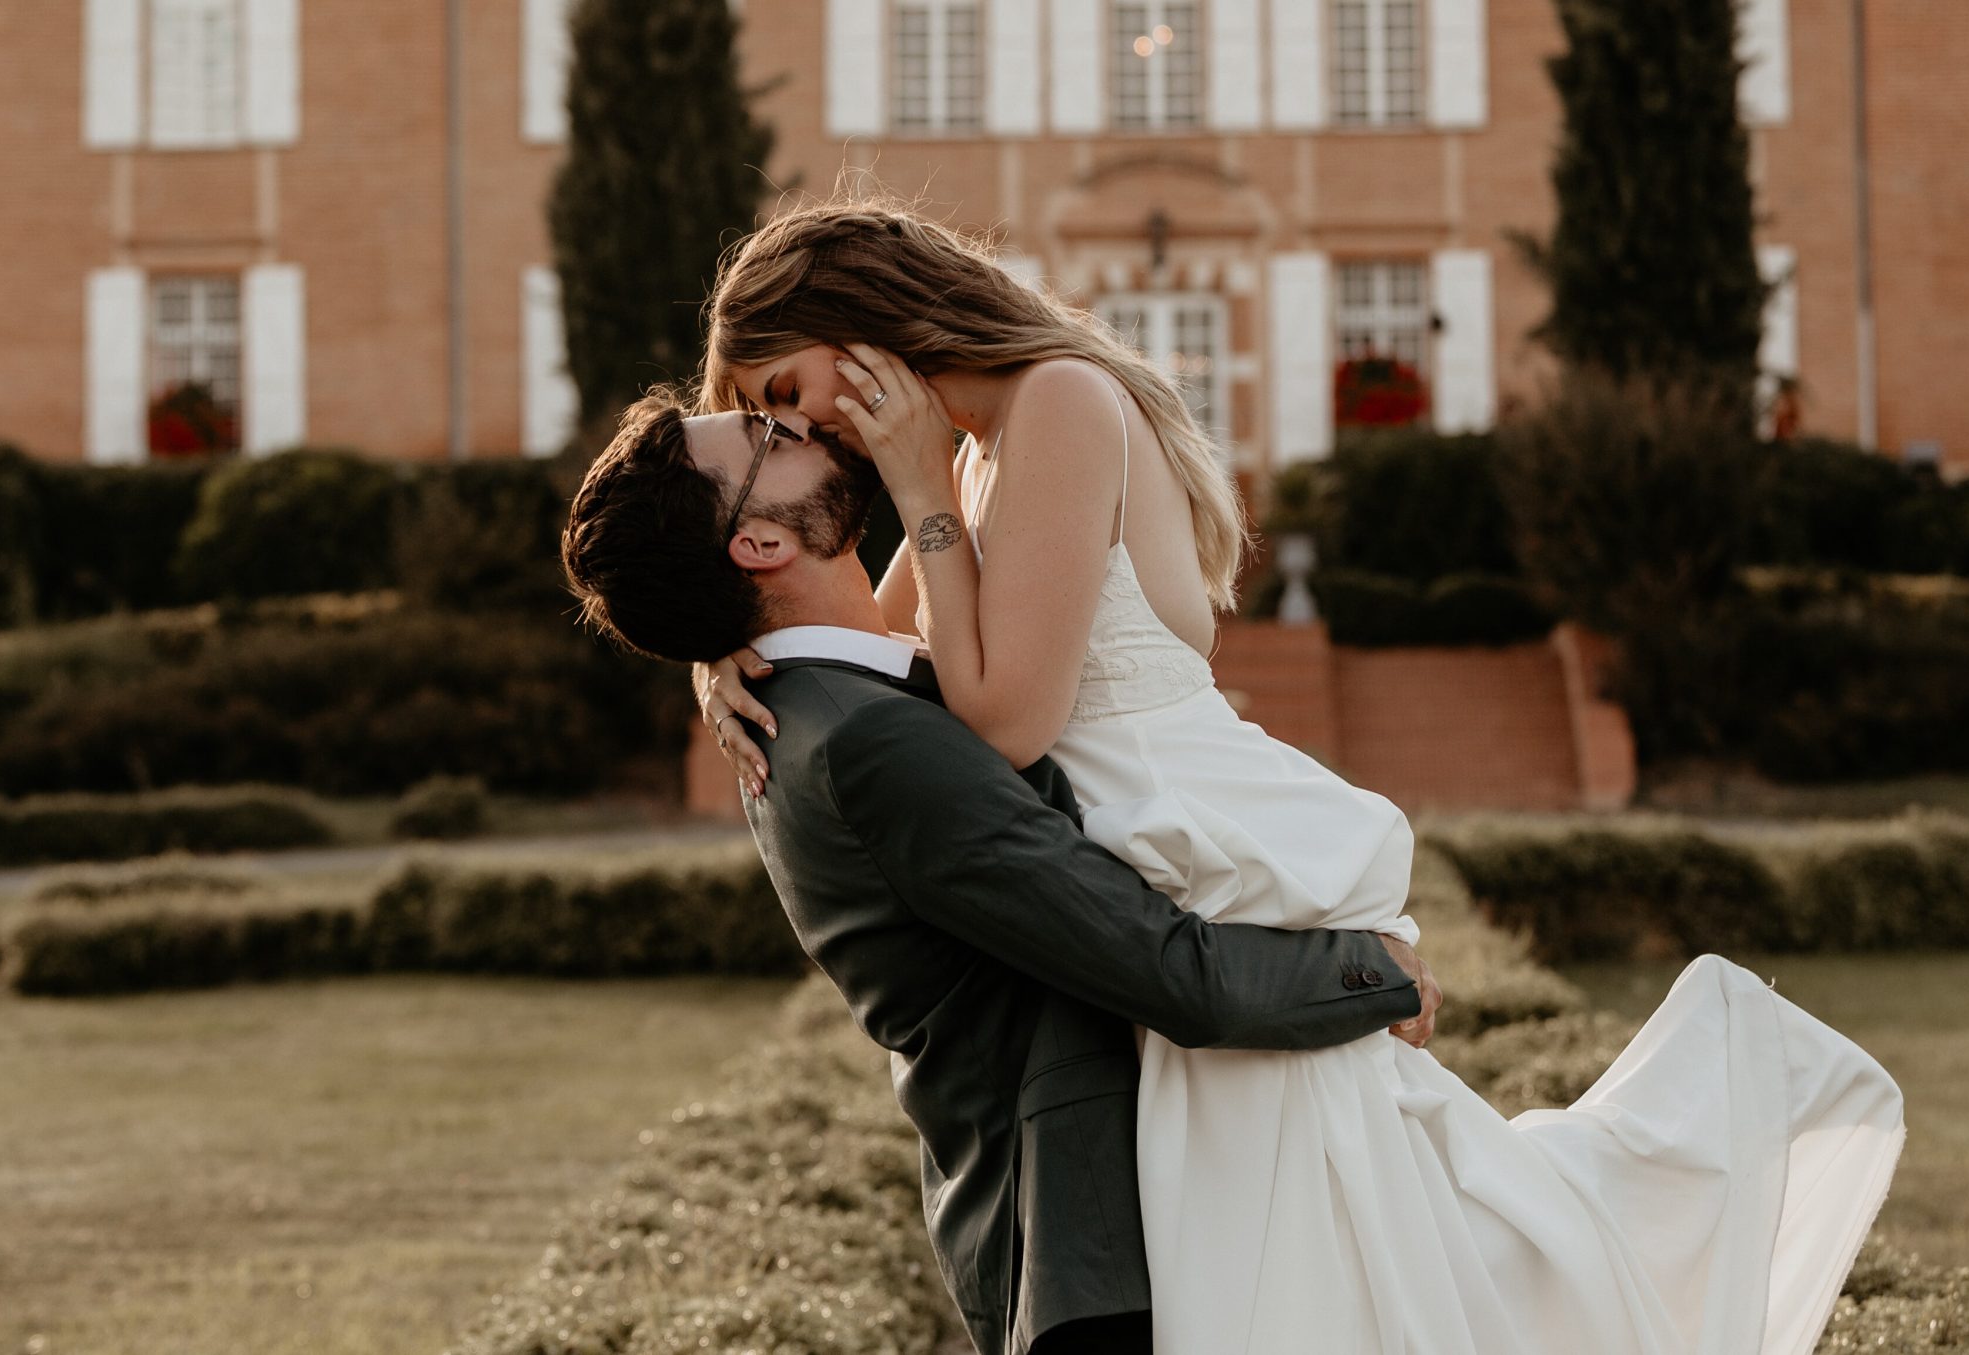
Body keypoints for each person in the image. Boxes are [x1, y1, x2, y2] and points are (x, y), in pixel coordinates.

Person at [685, 202, 1907, 1355]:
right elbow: (897, 669)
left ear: (862, 314)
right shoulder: (972, 460)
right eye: (765, 419)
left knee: (1325, 1242)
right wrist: (730, 647)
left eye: (784, 392)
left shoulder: (1054, 402)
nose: (798, 429)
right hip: (1133, 849)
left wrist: (910, 493)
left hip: (1190, 844)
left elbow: (999, 724)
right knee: (1300, 1243)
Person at [561, 395, 1442, 1355]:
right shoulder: (863, 740)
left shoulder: (825, 695)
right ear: (762, 545)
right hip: (1094, 1260)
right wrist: (1378, 970)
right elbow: (1164, 966)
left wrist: (706, 659)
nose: (802, 426)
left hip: (1116, 1225)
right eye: (766, 439)